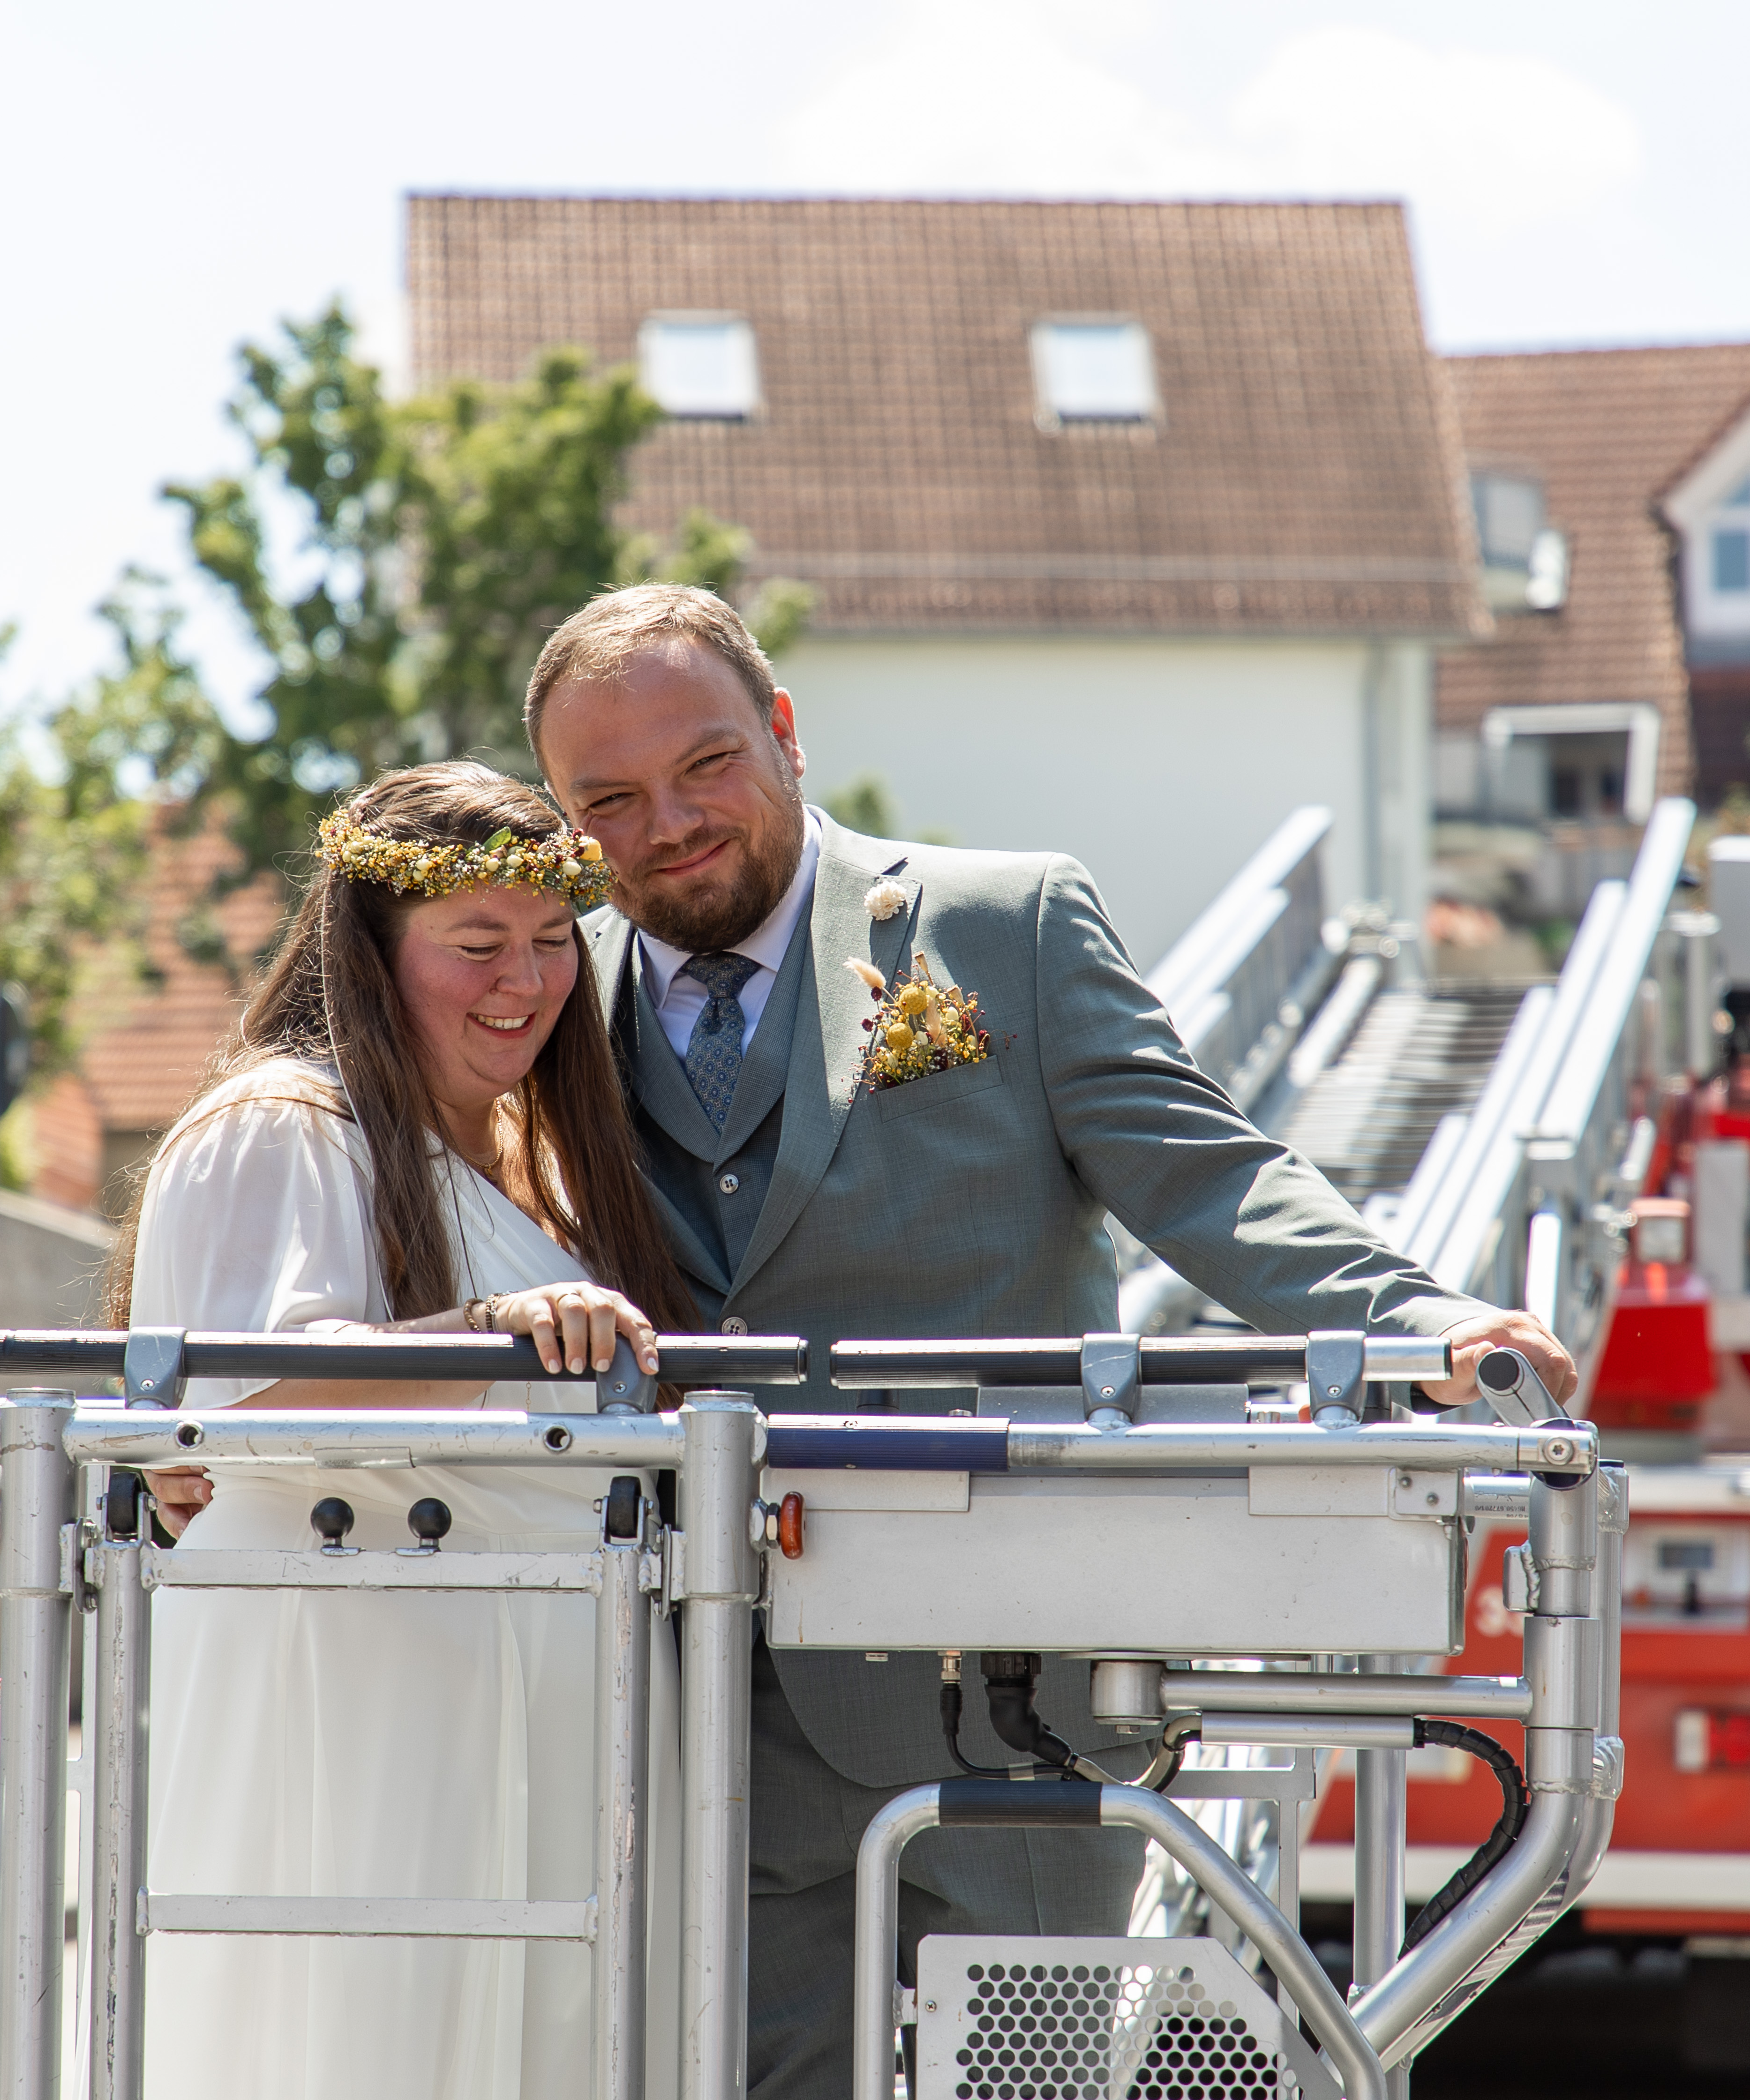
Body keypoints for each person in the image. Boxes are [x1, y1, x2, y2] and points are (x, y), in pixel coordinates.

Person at [521, 583, 1579, 2100]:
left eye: (704, 766)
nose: (668, 824)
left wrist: (1418, 1318)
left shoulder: (999, 924)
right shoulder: (556, 1000)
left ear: (788, 733)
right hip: (696, 1684)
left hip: (997, 1680)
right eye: (608, 800)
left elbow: (1205, 1174)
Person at [113, 762, 694, 2099]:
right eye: (477, 944)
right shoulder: (286, 1124)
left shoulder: (531, 1158)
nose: (527, 980)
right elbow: (247, 1397)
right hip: (362, 1725)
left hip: (540, 1722)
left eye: (554, 942)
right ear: (372, 955)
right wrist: (498, 1329)